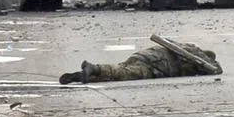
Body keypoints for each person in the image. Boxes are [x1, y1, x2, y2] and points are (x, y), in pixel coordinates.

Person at [58, 42, 222, 84]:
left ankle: (85, 76)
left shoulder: (184, 47)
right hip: (156, 65)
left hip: (146, 57)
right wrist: (208, 62)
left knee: (121, 72)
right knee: (124, 73)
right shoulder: (197, 54)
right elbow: (216, 70)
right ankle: (95, 68)